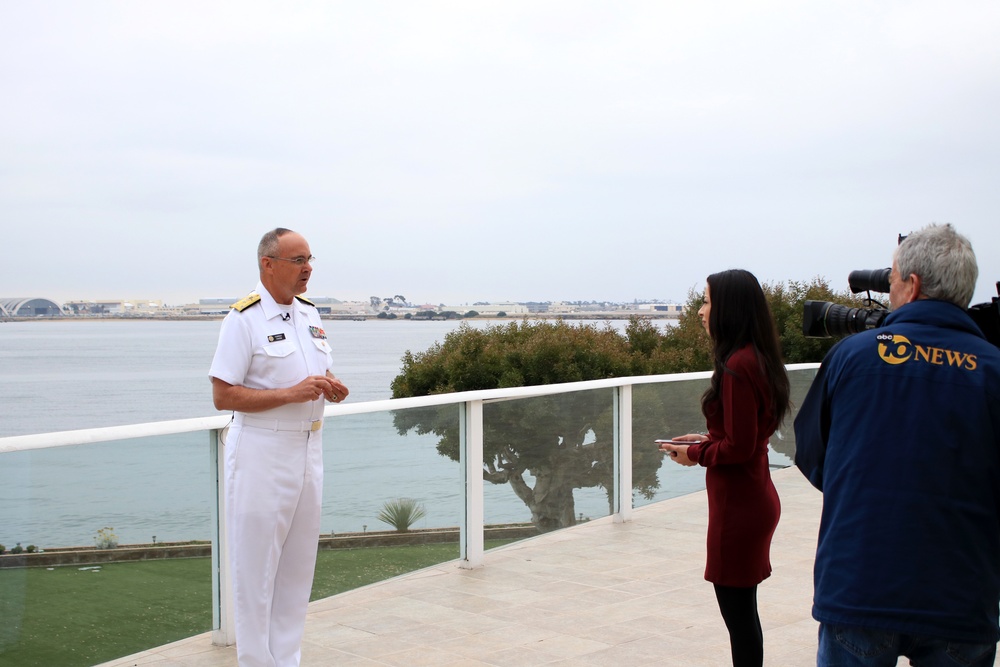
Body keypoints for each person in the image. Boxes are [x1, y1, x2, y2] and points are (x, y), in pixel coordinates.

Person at [794, 223, 1000, 666]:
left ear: (913, 284)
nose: (887, 292)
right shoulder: (992, 368)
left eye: (890, 281)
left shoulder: (851, 356)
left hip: (859, 585)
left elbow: (813, 456)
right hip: (962, 596)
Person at [209, 228, 349, 667]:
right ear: (268, 264)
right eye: (297, 260)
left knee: (297, 568)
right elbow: (223, 396)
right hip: (261, 453)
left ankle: (286, 660)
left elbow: (313, 374)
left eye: (310, 259)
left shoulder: (309, 314)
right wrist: (289, 394)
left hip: (309, 449)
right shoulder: (243, 319)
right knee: (255, 573)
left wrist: (330, 386)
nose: (307, 268)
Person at [660, 268, 791, 667]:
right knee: (743, 614)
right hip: (753, 496)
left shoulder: (736, 365)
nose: (700, 311)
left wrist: (695, 454)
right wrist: (704, 440)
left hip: (739, 507)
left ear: (727, 309)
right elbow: (744, 435)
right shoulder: (757, 358)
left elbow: (738, 447)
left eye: (706, 301)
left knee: (738, 617)